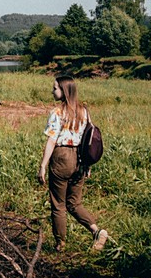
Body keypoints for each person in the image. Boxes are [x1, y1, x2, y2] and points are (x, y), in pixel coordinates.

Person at [37, 75, 108, 252]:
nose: (52, 91)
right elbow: (90, 140)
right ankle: (96, 230)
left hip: (61, 156)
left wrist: (43, 165)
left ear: (64, 91)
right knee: (74, 203)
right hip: (80, 158)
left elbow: (52, 141)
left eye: (55, 88)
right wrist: (88, 164)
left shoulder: (57, 112)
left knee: (58, 204)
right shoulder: (84, 111)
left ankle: (60, 244)